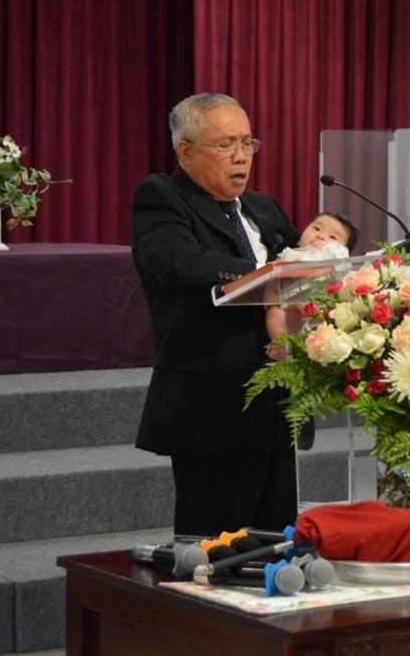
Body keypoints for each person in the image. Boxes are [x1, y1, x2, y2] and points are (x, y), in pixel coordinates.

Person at [131, 92, 303, 536]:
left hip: (279, 405)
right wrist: (266, 276)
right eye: (226, 145)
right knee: (214, 549)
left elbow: (303, 264)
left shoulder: (265, 208)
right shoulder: (162, 197)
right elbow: (178, 261)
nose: (241, 156)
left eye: (247, 143)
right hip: (212, 406)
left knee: (276, 544)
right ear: (186, 151)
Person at [264, 211, 360, 360]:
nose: (320, 236)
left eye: (333, 237)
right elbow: (272, 276)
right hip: (287, 305)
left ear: (343, 251)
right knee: (274, 310)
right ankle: (282, 343)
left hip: (321, 317)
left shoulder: (338, 267)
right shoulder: (289, 256)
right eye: (316, 228)